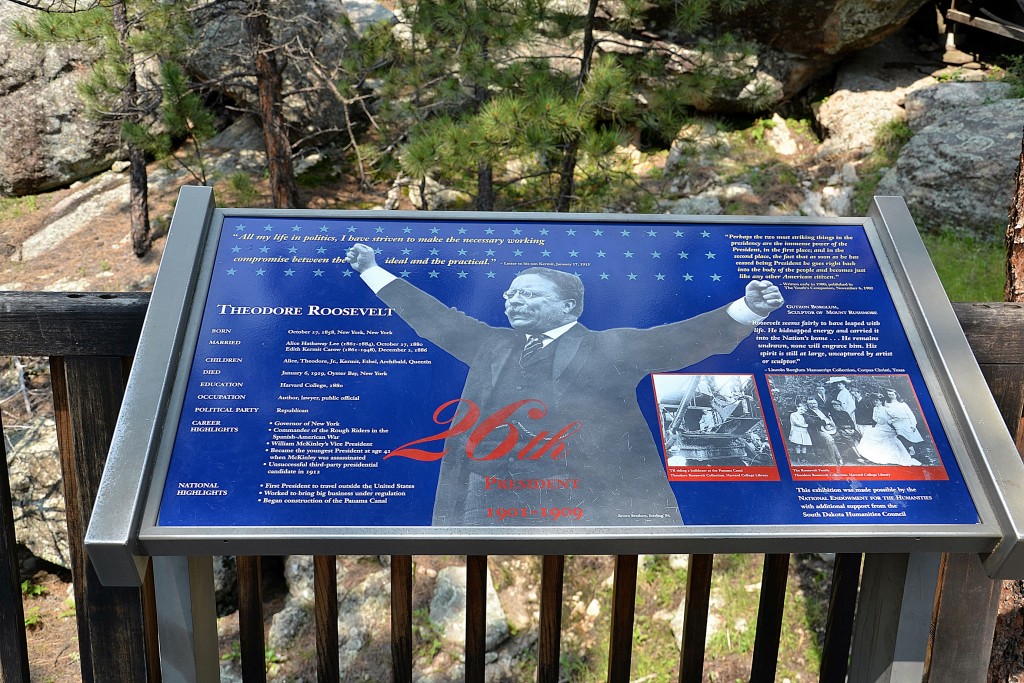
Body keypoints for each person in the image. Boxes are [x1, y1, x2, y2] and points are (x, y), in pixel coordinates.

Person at [344, 243, 784, 526]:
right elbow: (434, 319)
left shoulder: (609, 347)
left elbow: (678, 340)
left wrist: (748, 309)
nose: (513, 301)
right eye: (510, 295)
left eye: (528, 294)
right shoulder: (491, 344)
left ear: (568, 306)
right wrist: (372, 271)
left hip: (580, 498)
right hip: (486, 497)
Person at [858, 394, 921, 466]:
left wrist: (890, 421)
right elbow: (875, 419)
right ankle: (871, 455)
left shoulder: (886, 409)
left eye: (877, 400)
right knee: (868, 434)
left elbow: (898, 417)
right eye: (874, 400)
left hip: (887, 428)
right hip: (879, 427)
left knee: (875, 436)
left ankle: (884, 456)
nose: (875, 402)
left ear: (881, 401)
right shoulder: (875, 408)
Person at [884, 388, 924, 457]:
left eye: (892, 394)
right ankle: (910, 449)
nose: (891, 396)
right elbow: (887, 414)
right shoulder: (887, 404)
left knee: (911, 436)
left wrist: (913, 425)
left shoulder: (902, 403)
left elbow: (910, 414)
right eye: (889, 395)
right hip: (896, 422)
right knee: (900, 435)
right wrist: (890, 421)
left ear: (896, 395)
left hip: (906, 421)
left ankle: (916, 452)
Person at [804, 398, 842, 466]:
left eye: (814, 403)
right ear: (807, 405)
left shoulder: (822, 410)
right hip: (818, 431)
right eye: (810, 404)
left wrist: (832, 422)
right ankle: (835, 460)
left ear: (817, 403)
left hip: (831, 429)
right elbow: (812, 423)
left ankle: (841, 458)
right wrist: (825, 422)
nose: (813, 405)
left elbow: (831, 418)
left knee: (844, 435)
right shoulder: (807, 413)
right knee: (829, 439)